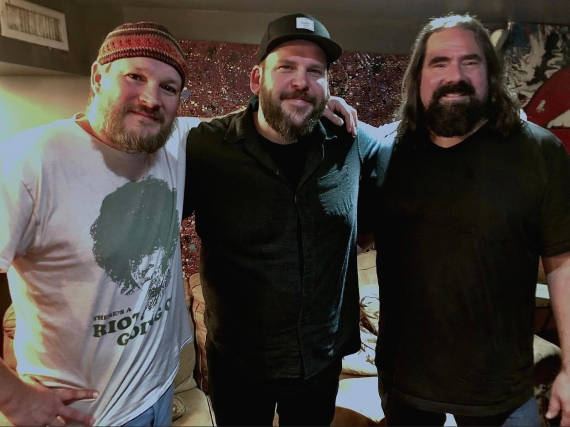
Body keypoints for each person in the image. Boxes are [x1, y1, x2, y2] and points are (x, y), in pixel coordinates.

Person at [183, 12, 392, 426]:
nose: (301, 81)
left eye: (315, 72)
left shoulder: (352, 143)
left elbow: (406, 145)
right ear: (256, 79)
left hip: (320, 360)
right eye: (287, 68)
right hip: (239, 364)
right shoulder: (207, 147)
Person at [371, 14, 570, 426]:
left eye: (470, 62)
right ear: (418, 77)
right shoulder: (386, 153)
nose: (455, 76)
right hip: (405, 383)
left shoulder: (539, 153)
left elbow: (563, 264)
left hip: (500, 388)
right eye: (439, 62)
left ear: (490, 74)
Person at [0, 22, 197, 426]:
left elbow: (255, 119)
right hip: (84, 417)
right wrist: (13, 396)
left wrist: (322, 102)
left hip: (160, 391)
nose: (151, 99)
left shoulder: (173, 144)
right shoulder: (30, 161)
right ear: (97, 77)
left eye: (168, 87)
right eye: (135, 77)